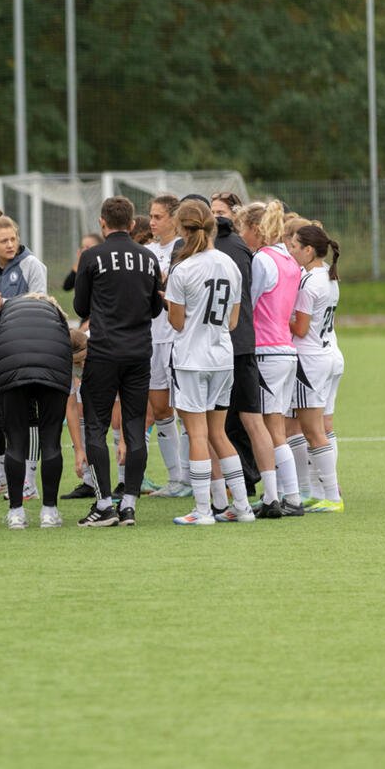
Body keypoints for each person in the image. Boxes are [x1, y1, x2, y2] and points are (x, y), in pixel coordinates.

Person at [72, 196, 163, 527]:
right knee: (135, 425)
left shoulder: (92, 256)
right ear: (133, 224)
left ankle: (103, 504)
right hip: (139, 351)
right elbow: (155, 308)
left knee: (95, 425)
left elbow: (81, 306)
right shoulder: (148, 258)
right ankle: (129, 505)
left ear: (102, 223)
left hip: (105, 351)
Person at [165, 199, 255, 526]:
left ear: (182, 229)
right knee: (219, 433)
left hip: (192, 359)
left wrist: (170, 304)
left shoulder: (183, 269)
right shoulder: (229, 264)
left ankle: (203, 510)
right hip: (222, 356)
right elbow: (232, 321)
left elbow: (176, 322)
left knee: (198, 434)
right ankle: (241, 506)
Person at [236, 198, 306, 519]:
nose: (241, 237)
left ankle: (277, 497)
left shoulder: (262, 259)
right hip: (286, 350)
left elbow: (249, 303)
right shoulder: (289, 260)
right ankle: (288, 496)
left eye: (242, 229)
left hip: (265, 350)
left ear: (255, 229)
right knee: (276, 424)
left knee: (268, 427)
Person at [0, 210, 48, 501]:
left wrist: (5, 303)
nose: (9, 245)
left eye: (13, 238)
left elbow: (42, 304)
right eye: (3, 240)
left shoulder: (32, 265)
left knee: (27, 414)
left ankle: (29, 480)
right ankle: (2, 474)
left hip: (27, 350)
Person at [0, 293, 74, 529]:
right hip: (52, 370)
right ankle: (49, 512)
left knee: (15, 441)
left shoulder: (7, 309)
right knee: (51, 440)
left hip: (11, 367)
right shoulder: (55, 314)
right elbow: (66, 346)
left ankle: (16, 513)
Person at [287, 222, 345, 513]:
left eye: (295, 247)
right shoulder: (329, 277)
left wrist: (276, 316)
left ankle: (332, 496)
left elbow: (300, 327)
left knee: (311, 429)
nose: (291, 251)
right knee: (322, 427)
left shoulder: (311, 283)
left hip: (311, 360)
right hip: (330, 355)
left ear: (309, 250)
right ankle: (318, 491)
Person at [143, 194, 190, 499]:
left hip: (177, 337)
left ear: (174, 219)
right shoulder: (145, 251)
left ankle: (190, 475)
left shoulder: (183, 249)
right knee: (160, 408)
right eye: (151, 216)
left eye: (158, 217)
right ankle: (174, 478)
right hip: (152, 337)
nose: (152, 222)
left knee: (188, 410)